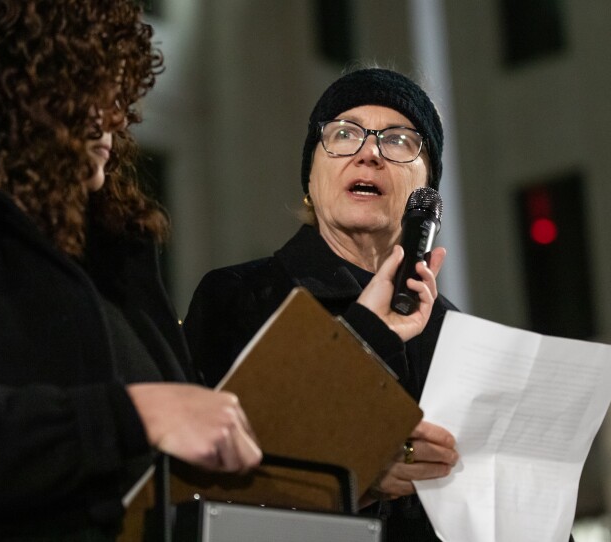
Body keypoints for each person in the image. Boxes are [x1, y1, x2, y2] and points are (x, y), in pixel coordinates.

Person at [0, 1, 264, 540]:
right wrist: (132, 415)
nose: (115, 114)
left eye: (117, 90)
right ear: (11, 85)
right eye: (86, 83)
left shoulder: (117, 256)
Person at [183, 67, 460, 542]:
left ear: (427, 190)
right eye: (344, 134)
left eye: (397, 141)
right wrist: (358, 475)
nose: (368, 153)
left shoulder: (454, 333)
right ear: (310, 176)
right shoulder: (240, 298)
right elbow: (207, 486)